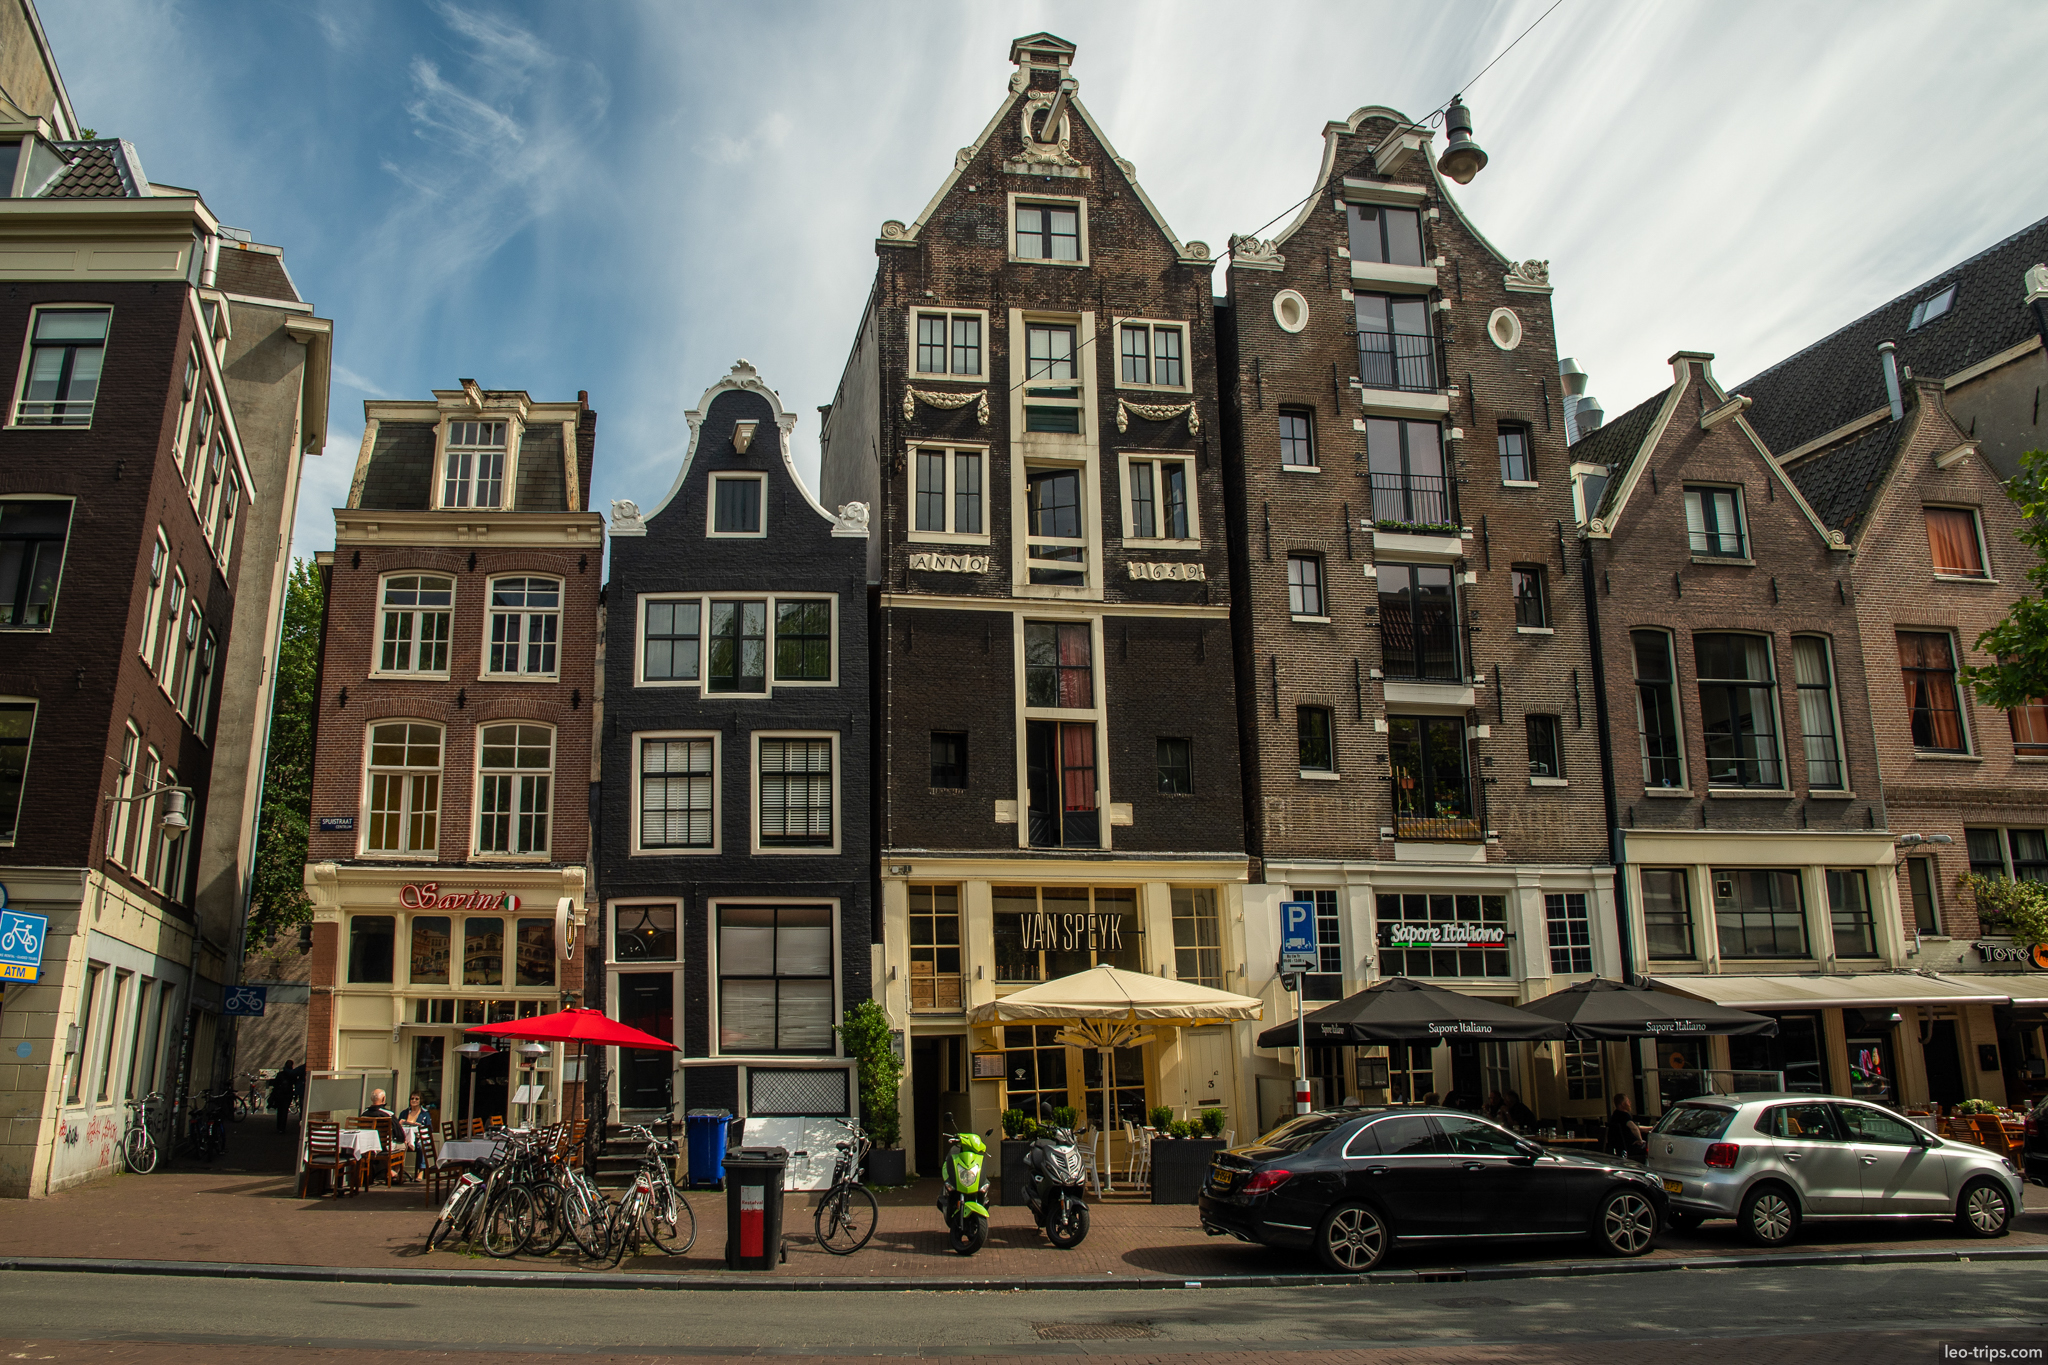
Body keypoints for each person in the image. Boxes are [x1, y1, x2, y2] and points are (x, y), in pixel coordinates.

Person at [1606, 1092, 1646, 1159]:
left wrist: (1651, 1128)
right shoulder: (1624, 1115)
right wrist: (1640, 1140)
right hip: (1630, 1147)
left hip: (1619, 1146)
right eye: (1627, 1101)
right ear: (1622, 1104)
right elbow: (1634, 1128)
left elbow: (1636, 1127)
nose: (1630, 1103)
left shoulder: (1615, 1115)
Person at [269, 1061, 297, 1132]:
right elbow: (295, 1083)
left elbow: (275, 1084)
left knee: (280, 1111)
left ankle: (279, 1126)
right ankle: (282, 1127)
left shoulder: (280, 1074)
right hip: (288, 1095)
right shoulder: (292, 1075)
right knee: (285, 1111)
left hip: (279, 1094)